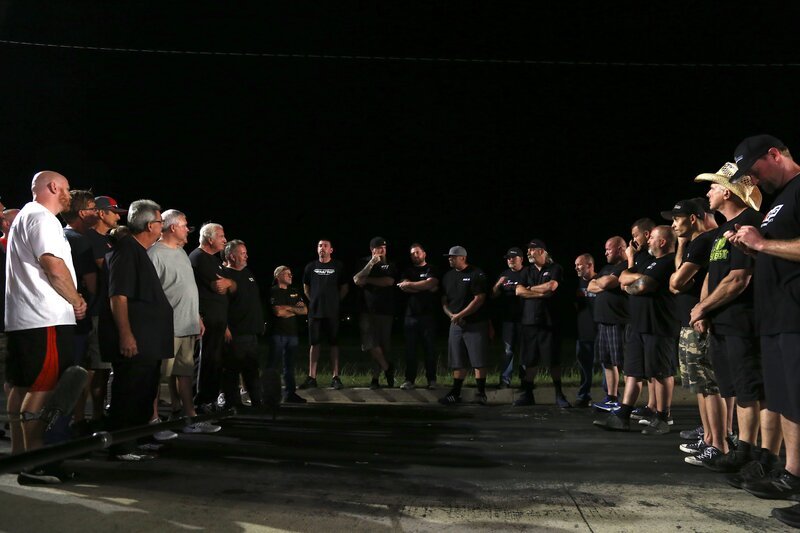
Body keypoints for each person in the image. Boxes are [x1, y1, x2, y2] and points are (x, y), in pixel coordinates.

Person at [723, 136, 800, 526]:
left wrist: (763, 245)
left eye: (754, 171)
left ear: (775, 154)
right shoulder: (778, 201)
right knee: (786, 402)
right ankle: (792, 475)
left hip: (795, 317)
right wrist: (758, 248)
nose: (751, 180)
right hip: (775, 319)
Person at [689, 162, 782, 475]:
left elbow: (738, 278)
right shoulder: (720, 232)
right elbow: (713, 276)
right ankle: (743, 448)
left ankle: (754, 452)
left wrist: (702, 308)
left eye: (713, 187)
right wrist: (704, 309)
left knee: (752, 391)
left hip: (743, 323)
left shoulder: (750, 221)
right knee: (736, 391)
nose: (708, 193)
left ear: (728, 191)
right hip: (723, 323)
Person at [5, 171, 87, 483]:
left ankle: (18, 454)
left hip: (24, 319)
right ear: (53, 187)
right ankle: (35, 461)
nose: (69, 194)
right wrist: (76, 299)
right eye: (66, 188)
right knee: (43, 388)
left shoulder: (25, 216)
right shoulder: (42, 218)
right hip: (46, 317)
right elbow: (54, 266)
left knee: (21, 386)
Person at [98, 200, 174, 460]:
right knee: (129, 392)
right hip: (136, 342)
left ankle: (136, 439)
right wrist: (126, 334)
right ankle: (121, 445)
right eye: (161, 222)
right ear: (151, 225)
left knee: (144, 391)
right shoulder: (127, 251)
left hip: (148, 343)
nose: (162, 227)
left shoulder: (138, 250)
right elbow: (118, 296)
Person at [594, 225, 679, 435]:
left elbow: (642, 286)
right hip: (638, 325)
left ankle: (663, 416)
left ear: (662, 242)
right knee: (633, 371)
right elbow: (624, 281)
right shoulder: (647, 260)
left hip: (658, 325)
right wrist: (632, 278)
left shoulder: (668, 262)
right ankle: (623, 415)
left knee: (660, 373)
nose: (648, 240)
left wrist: (633, 284)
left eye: (653, 238)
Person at [662, 198, 722, 465]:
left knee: (710, 386)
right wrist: (682, 247)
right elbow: (676, 279)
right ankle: (710, 437)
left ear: (694, 218)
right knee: (701, 386)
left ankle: (718, 441)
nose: (674, 224)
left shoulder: (705, 241)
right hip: (690, 322)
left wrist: (679, 285)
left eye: (677, 219)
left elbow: (676, 281)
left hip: (701, 323)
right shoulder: (693, 243)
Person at [148, 209, 220, 434]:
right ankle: (153, 422)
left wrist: (196, 316)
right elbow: (152, 293)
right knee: (156, 377)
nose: (188, 230)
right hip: (167, 328)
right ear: (172, 228)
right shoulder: (154, 254)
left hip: (187, 325)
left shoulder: (181, 253)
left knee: (185, 374)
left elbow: (188, 288)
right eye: (184, 226)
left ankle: (190, 418)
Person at [60, 190, 99, 436]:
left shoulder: (62, 235)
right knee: (76, 373)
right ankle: (74, 423)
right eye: (94, 208)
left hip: (64, 317)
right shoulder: (80, 241)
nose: (97, 212)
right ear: (83, 213)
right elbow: (92, 285)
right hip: (80, 317)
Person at [514, 239, 570, 408]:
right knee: (530, 360)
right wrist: (538, 293)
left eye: (531, 250)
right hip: (529, 322)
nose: (529, 253)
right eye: (528, 251)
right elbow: (518, 290)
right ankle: (528, 394)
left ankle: (559, 394)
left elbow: (552, 287)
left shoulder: (555, 268)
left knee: (552, 360)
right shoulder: (526, 271)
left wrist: (530, 289)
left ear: (541, 251)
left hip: (549, 322)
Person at [190, 223, 235, 412]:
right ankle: (201, 402)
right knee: (205, 362)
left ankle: (212, 398)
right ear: (210, 239)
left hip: (218, 321)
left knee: (215, 362)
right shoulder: (198, 257)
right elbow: (219, 286)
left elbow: (230, 286)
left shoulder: (215, 260)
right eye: (221, 236)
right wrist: (227, 283)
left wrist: (230, 282)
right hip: (205, 321)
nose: (225, 240)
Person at [439, 246, 490, 405]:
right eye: (449, 257)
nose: (450, 259)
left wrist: (461, 315)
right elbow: (444, 300)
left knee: (478, 359)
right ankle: (455, 393)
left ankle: (481, 393)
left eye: (453, 257)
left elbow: (479, 299)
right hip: (456, 323)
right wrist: (452, 316)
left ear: (462, 257)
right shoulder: (448, 276)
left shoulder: (476, 273)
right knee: (457, 359)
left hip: (474, 323)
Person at [221, 239, 264, 409]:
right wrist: (225, 328)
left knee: (252, 369)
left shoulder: (249, 273)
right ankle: (232, 404)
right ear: (231, 256)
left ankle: (257, 402)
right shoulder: (225, 275)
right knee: (232, 371)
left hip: (251, 332)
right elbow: (221, 306)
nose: (247, 256)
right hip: (236, 333)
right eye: (243, 253)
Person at [587, 236, 629, 412]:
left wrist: (602, 283)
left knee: (623, 363)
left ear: (620, 249)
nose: (605, 253)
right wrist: (601, 283)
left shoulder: (625, 266)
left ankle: (627, 402)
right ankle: (612, 398)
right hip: (603, 322)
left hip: (618, 322)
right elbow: (591, 285)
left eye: (608, 249)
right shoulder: (606, 268)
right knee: (607, 362)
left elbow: (605, 282)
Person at [301, 239, 348, 390]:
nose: (322, 248)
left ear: (331, 250)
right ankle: (312, 377)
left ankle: (335, 377)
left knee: (334, 343)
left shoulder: (338, 266)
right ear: (317, 249)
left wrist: (334, 301)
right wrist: (313, 301)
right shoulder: (311, 267)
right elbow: (306, 287)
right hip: (315, 312)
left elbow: (345, 287)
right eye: (320, 246)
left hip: (332, 312)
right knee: (314, 343)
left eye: (325, 246)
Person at [353, 236, 397, 389]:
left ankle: (376, 378)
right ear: (373, 249)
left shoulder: (390, 264)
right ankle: (387, 368)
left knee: (383, 346)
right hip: (366, 310)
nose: (383, 249)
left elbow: (389, 281)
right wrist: (371, 263)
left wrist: (369, 281)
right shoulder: (364, 262)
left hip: (385, 310)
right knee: (370, 343)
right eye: (379, 247)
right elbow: (357, 279)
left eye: (384, 247)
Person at [397, 243, 440, 390]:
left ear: (424, 253)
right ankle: (409, 380)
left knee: (429, 349)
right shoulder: (407, 270)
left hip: (427, 316)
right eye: (412, 254)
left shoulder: (431, 269)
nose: (415, 255)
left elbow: (432, 283)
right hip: (410, 316)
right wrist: (424, 286)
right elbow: (404, 286)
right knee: (410, 350)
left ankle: (432, 380)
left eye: (417, 252)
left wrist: (412, 285)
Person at [269, 265, 307, 403]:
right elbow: (278, 312)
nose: (290, 276)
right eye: (286, 274)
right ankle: (270, 394)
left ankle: (290, 394)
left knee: (289, 367)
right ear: (278, 276)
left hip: (292, 334)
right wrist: (294, 309)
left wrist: (288, 308)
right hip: (278, 334)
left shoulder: (294, 291)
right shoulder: (273, 291)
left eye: (291, 274)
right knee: (273, 366)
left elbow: (304, 310)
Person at [491, 247, 525, 389]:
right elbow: (493, 295)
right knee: (507, 351)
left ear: (521, 259)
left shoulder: (527, 273)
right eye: (508, 258)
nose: (510, 260)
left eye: (513, 257)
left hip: (524, 319)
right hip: (508, 320)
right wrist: (498, 284)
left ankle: (525, 382)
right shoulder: (504, 274)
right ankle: (505, 380)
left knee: (524, 351)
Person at [574, 253, 597, 407]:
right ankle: (584, 396)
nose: (576, 268)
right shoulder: (577, 283)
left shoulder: (601, 279)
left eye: (579, 265)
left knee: (608, 365)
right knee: (584, 365)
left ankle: (612, 396)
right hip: (583, 331)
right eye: (575, 265)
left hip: (601, 330)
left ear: (589, 265)